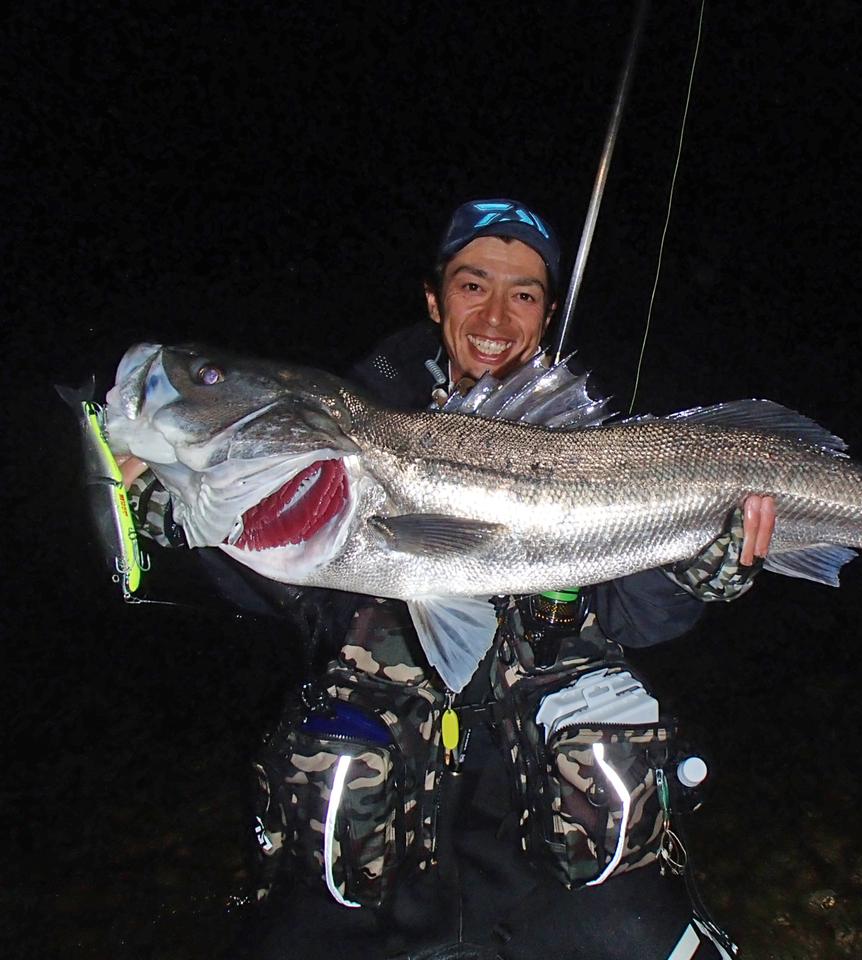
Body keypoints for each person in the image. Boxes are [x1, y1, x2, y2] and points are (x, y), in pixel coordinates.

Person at [122, 198, 776, 959]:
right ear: (435, 299)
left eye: (524, 294)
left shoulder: (596, 447)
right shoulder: (348, 425)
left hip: (553, 809)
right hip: (385, 808)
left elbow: (636, 619)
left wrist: (699, 575)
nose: (497, 314)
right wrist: (189, 525)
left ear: (547, 312)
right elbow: (288, 591)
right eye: (473, 285)